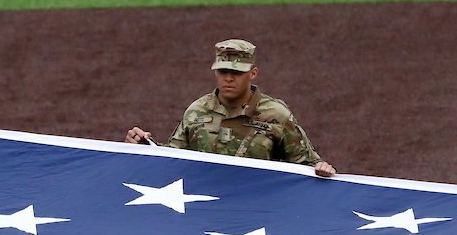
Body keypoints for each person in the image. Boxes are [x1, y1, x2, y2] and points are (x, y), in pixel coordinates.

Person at [125, 39, 335, 177]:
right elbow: (176, 159)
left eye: (237, 72)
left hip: (258, 206)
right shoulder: (197, 111)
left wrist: (322, 169)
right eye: (222, 71)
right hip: (206, 205)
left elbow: (306, 163)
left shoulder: (276, 115)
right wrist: (148, 146)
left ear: (253, 73)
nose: (228, 78)